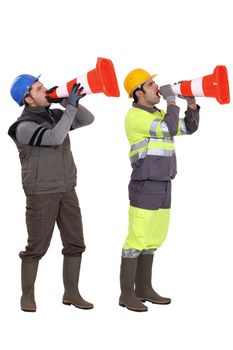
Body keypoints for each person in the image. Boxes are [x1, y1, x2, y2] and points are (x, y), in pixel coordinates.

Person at [8, 74, 94, 312]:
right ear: (28, 99)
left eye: (43, 86)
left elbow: (88, 119)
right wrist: (71, 107)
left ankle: (72, 293)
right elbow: (55, 137)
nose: (45, 90)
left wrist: (66, 102)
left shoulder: (55, 115)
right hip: (41, 193)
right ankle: (27, 294)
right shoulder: (23, 127)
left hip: (67, 189)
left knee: (75, 243)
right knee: (37, 246)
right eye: (39, 88)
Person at [119, 68, 200, 312]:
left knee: (154, 238)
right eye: (150, 84)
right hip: (145, 185)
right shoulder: (135, 116)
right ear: (138, 93)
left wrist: (192, 103)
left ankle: (144, 288)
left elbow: (187, 128)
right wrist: (173, 99)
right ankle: (126, 295)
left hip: (164, 182)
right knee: (136, 239)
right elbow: (167, 129)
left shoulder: (160, 114)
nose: (157, 87)